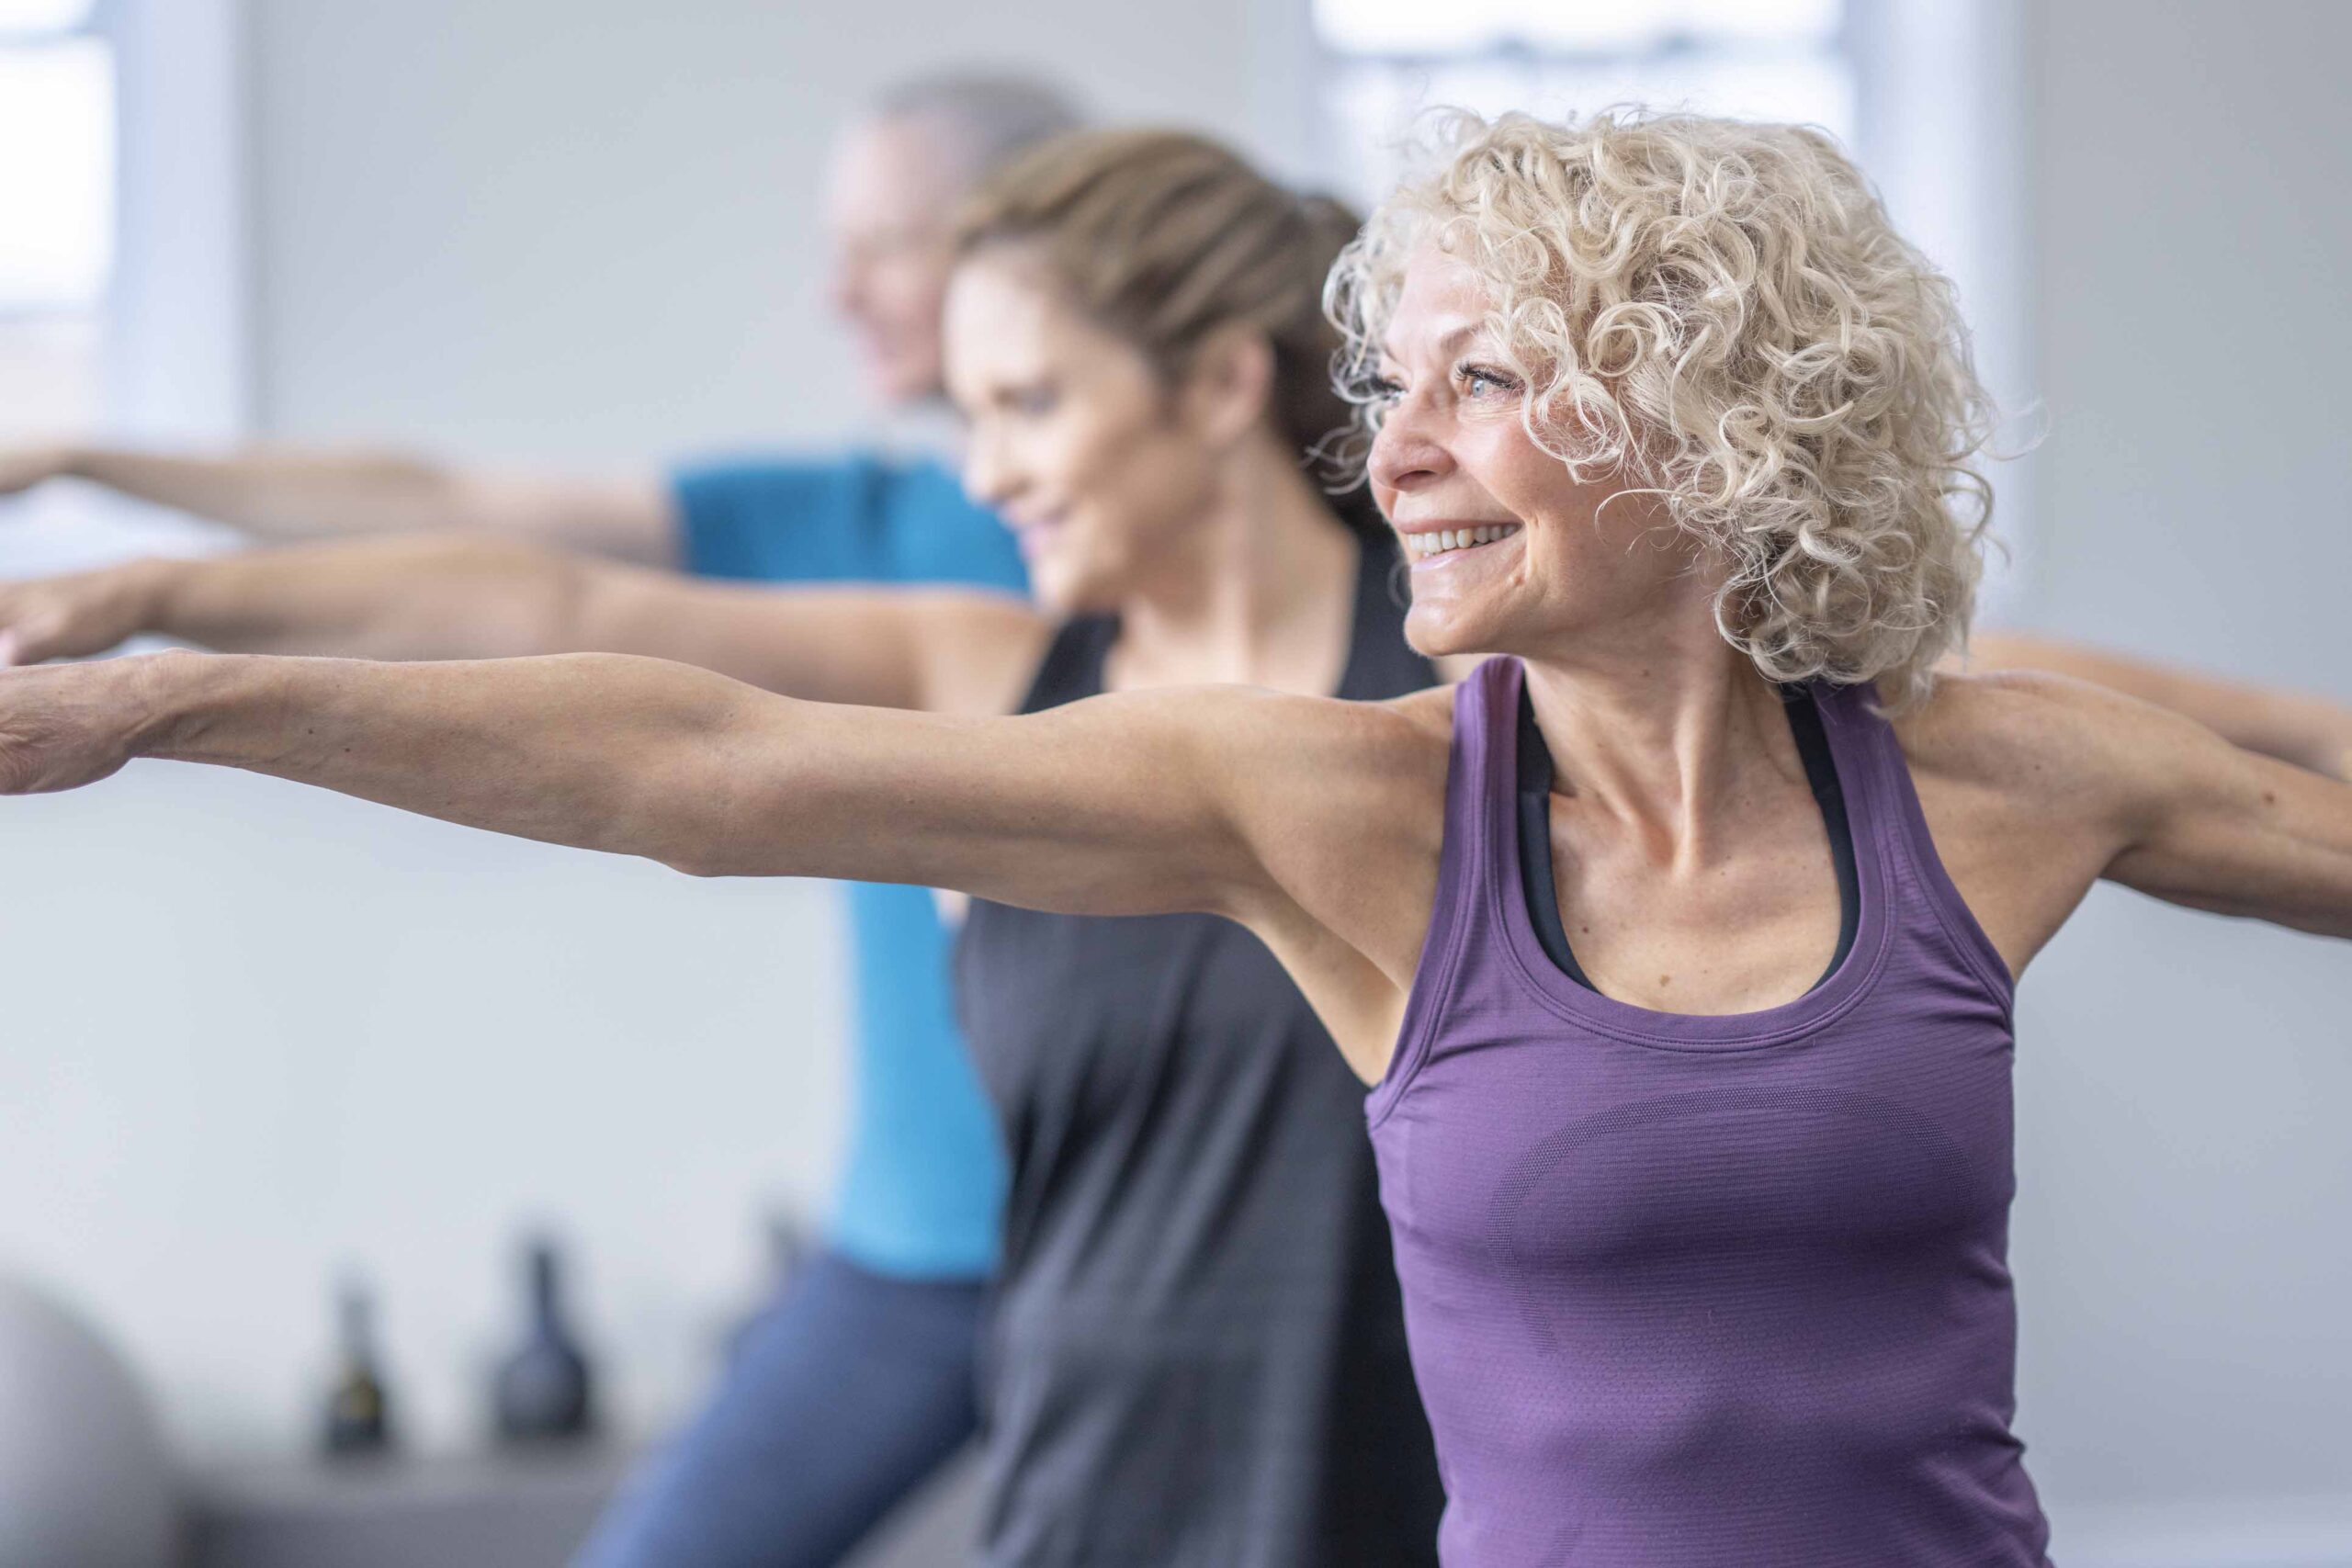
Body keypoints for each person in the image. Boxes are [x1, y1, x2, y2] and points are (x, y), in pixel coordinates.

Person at [2, 111, 2347, 1564]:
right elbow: (692, 753)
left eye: (1483, 381)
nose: (1398, 447)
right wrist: (164, 687)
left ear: (1713, 423)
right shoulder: (1321, 794)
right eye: (1387, 387)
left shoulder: (1996, 778)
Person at [0, 72, 1079, 1568]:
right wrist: (87, 474)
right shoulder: (867, 523)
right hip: (913, 1243)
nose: (843, 290)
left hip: (1146, 1247)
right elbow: (456, 524)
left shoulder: (1167, 566)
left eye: (893, 240)